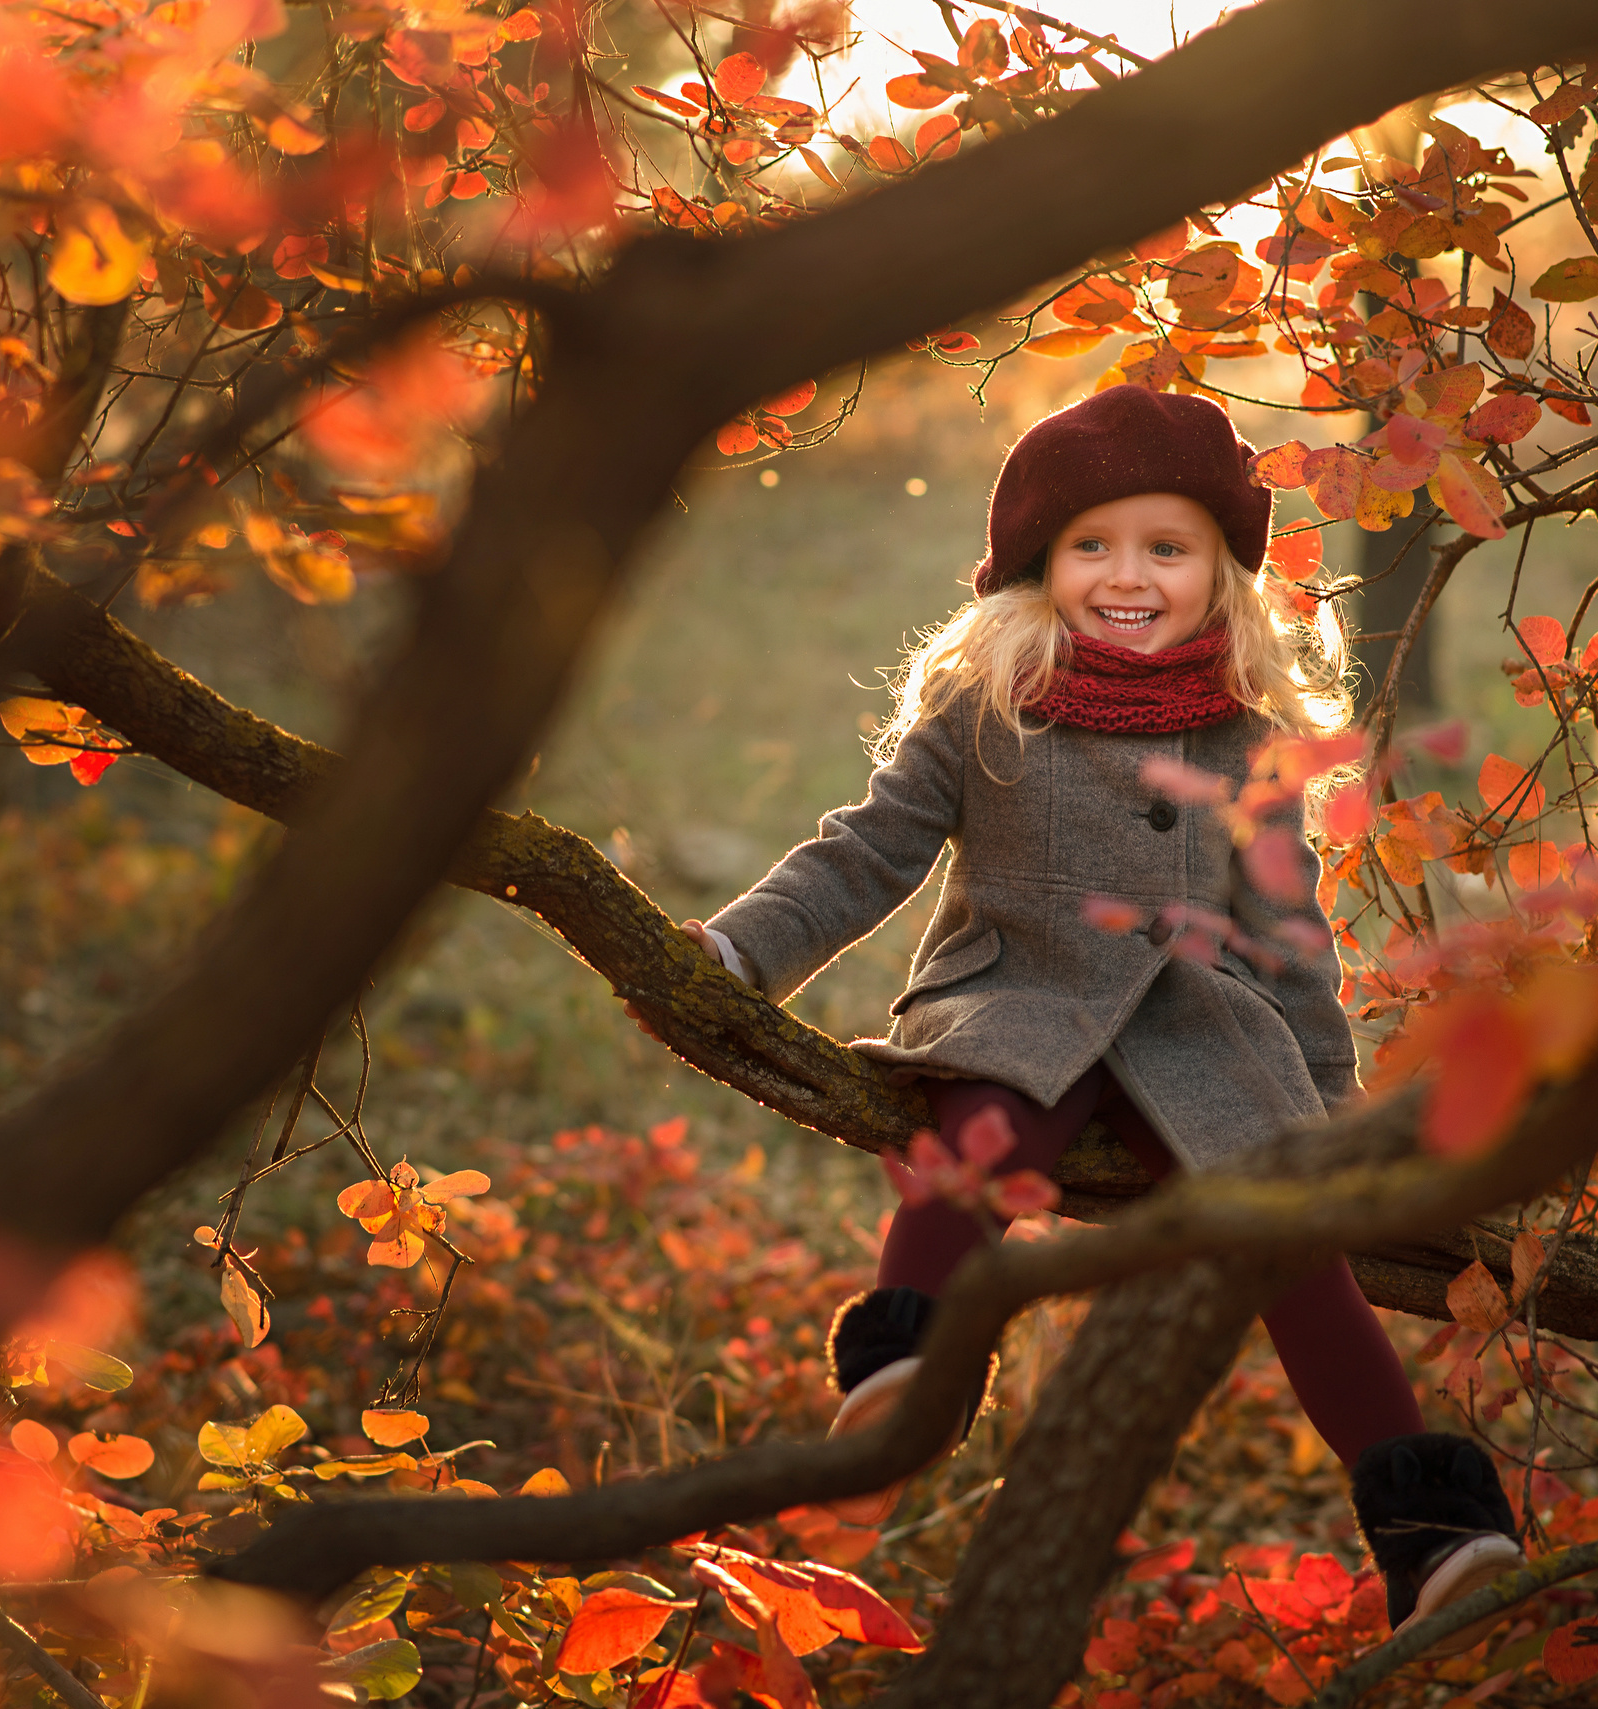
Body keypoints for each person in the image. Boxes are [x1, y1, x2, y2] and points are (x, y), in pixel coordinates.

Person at [641, 387, 1522, 1648]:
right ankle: (909, 1376)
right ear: (1037, 564)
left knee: (1292, 1253)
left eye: (1166, 548)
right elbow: (866, 851)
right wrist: (737, 950)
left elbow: (1289, 938)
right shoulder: (987, 705)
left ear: (1221, 574)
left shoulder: (1247, 738)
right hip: (1019, 994)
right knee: (976, 1143)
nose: (1127, 576)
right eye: (1091, 545)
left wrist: (1332, 1121)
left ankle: (1429, 1522)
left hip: (1204, 1031)